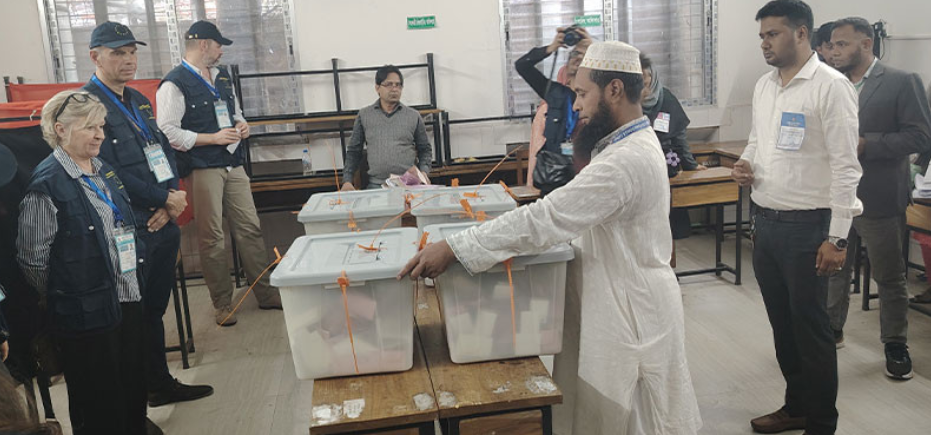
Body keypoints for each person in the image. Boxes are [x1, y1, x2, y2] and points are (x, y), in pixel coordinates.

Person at [399, 41, 702, 435]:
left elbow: (546, 218)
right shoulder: (623, 146)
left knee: (632, 415)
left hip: (630, 311)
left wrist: (455, 247)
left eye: (582, 93)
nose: (576, 105)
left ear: (614, 89)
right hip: (616, 297)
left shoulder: (624, 160)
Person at [732, 1, 863, 434]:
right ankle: (797, 406)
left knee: (811, 331)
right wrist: (746, 164)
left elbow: (846, 167)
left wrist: (837, 237)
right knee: (783, 327)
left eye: (773, 34)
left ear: (802, 33)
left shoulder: (831, 86)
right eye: (762, 36)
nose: (764, 44)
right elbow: (758, 140)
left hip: (810, 228)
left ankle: (822, 422)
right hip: (766, 222)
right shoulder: (765, 86)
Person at [82, 21, 213, 409]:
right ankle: (134, 406)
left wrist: (171, 197)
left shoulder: (138, 99)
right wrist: (162, 199)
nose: (128, 60)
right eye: (117, 53)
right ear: (95, 57)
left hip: (161, 220)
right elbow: (105, 170)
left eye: (131, 52)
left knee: (154, 310)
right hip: (130, 225)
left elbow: (163, 150)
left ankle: (158, 384)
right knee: (132, 315)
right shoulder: (87, 106)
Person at [17, 90, 149, 435]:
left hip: (126, 296)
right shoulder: (46, 185)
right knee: (100, 401)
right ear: (60, 129)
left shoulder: (103, 169)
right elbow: (33, 260)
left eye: (101, 126)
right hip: (85, 311)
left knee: (132, 388)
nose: (100, 135)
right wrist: (67, 292)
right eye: (90, 127)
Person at [826, 17, 931, 379]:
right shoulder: (830, 83)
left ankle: (895, 344)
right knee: (834, 270)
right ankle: (832, 330)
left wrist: (866, 144)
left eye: (842, 44)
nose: (834, 51)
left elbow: (920, 138)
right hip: (836, 196)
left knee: (888, 276)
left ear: (866, 44)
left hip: (879, 196)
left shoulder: (902, 81)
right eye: (832, 45)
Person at [157, 20, 282, 326]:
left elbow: (234, 110)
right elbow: (167, 131)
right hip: (203, 166)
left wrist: (242, 124)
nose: (221, 51)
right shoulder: (174, 83)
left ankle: (265, 292)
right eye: (218, 45)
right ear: (203, 45)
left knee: (250, 227)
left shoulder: (221, 76)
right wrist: (210, 139)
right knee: (211, 236)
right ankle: (222, 303)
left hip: (233, 162)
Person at [515, 27, 592, 195]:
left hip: (586, 177)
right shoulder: (556, 94)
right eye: (574, 54)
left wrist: (593, 48)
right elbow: (522, 66)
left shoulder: (597, 97)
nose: (578, 58)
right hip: (553, 179)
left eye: (583, 55)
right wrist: (551, 48)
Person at [640, 52, 704, 239]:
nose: (644, 80)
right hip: (642, 163)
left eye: (647, 75)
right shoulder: (630, 103)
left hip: (666, 162)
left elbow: (679, 138)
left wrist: (691, 164)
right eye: (640, 77)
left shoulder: (666, 98)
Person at [340, 65, 433, 190]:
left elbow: (425, 149)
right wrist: (347, 180)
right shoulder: (364, 115)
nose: (394, 89)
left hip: (408, 185)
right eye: (389, 84)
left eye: (398, 85)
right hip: (376, 185)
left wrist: (423, 172)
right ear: (377, 87)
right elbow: (353, 151)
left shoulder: (413, 116)